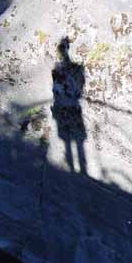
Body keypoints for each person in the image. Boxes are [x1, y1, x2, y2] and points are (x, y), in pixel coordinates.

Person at [51, 37, 87, 174]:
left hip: (65, 103)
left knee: (70, 137)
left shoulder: (60, 70)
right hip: (68, 103)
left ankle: (72, 162)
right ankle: (76, 165)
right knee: (74, 139)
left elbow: (58, 87)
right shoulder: (69, 70)